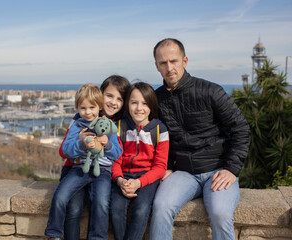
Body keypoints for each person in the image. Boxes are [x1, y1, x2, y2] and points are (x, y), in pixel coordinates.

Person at [149, 38, 250, 240]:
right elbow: (158, 137)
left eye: (174, 61)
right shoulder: (156, 99)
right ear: (157, 66)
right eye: (163, 63)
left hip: (218, 169)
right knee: (160, 207)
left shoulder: (211, 91)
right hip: (183, 173)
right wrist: (166, 165)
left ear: (184, 61)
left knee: (220, 214)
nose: (169, 67)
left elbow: (241, 128)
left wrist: (231, 169)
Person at [44, 83, 123, 240]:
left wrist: (107, 144)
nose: (88, 113)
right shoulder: (77, 126)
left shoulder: (108, 126)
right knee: (60, 196)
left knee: (101, 202)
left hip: (102, 171)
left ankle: (98, 237)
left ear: (99, 107)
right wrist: (81, 143)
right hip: (80, 168)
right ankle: (54, 233)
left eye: (92, 108)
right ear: (77, 108)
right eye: (83, 108)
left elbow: (117, 153)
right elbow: (65, 150)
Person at [110, 82, 169, 240]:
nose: (139, 108)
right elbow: (115, 160)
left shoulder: (159, 130)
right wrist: (120, 180)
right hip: (123, 176)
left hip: (147, 178)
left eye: (144, 103)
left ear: (151, 105)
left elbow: (160, 166)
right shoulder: (119, 127)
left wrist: (139, 183)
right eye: (134, 103)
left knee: (141, 209)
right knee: (116, 209)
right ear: (127, 104)